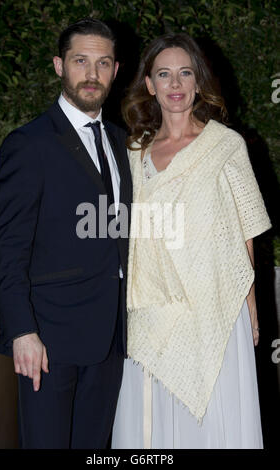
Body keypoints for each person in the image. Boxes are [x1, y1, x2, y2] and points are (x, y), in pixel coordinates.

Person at [112, 33, 271, 449]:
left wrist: (250, 301)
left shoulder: (225, 145)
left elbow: (245, 227)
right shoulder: (134, 151)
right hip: (151, 307)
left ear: (198, 82)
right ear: (150, 85)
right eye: (164, 74)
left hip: (214, 302)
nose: (176, 84)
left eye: (185, 73)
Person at [0, 18, 132, 449]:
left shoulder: (121, 140)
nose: (91, 74)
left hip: (111, 339)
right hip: (48, 340)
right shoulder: (30, 143)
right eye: (80, 61)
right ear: (59, 66)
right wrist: (22, 331)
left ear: (115, 70)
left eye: (102, 63)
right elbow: (9, 247)